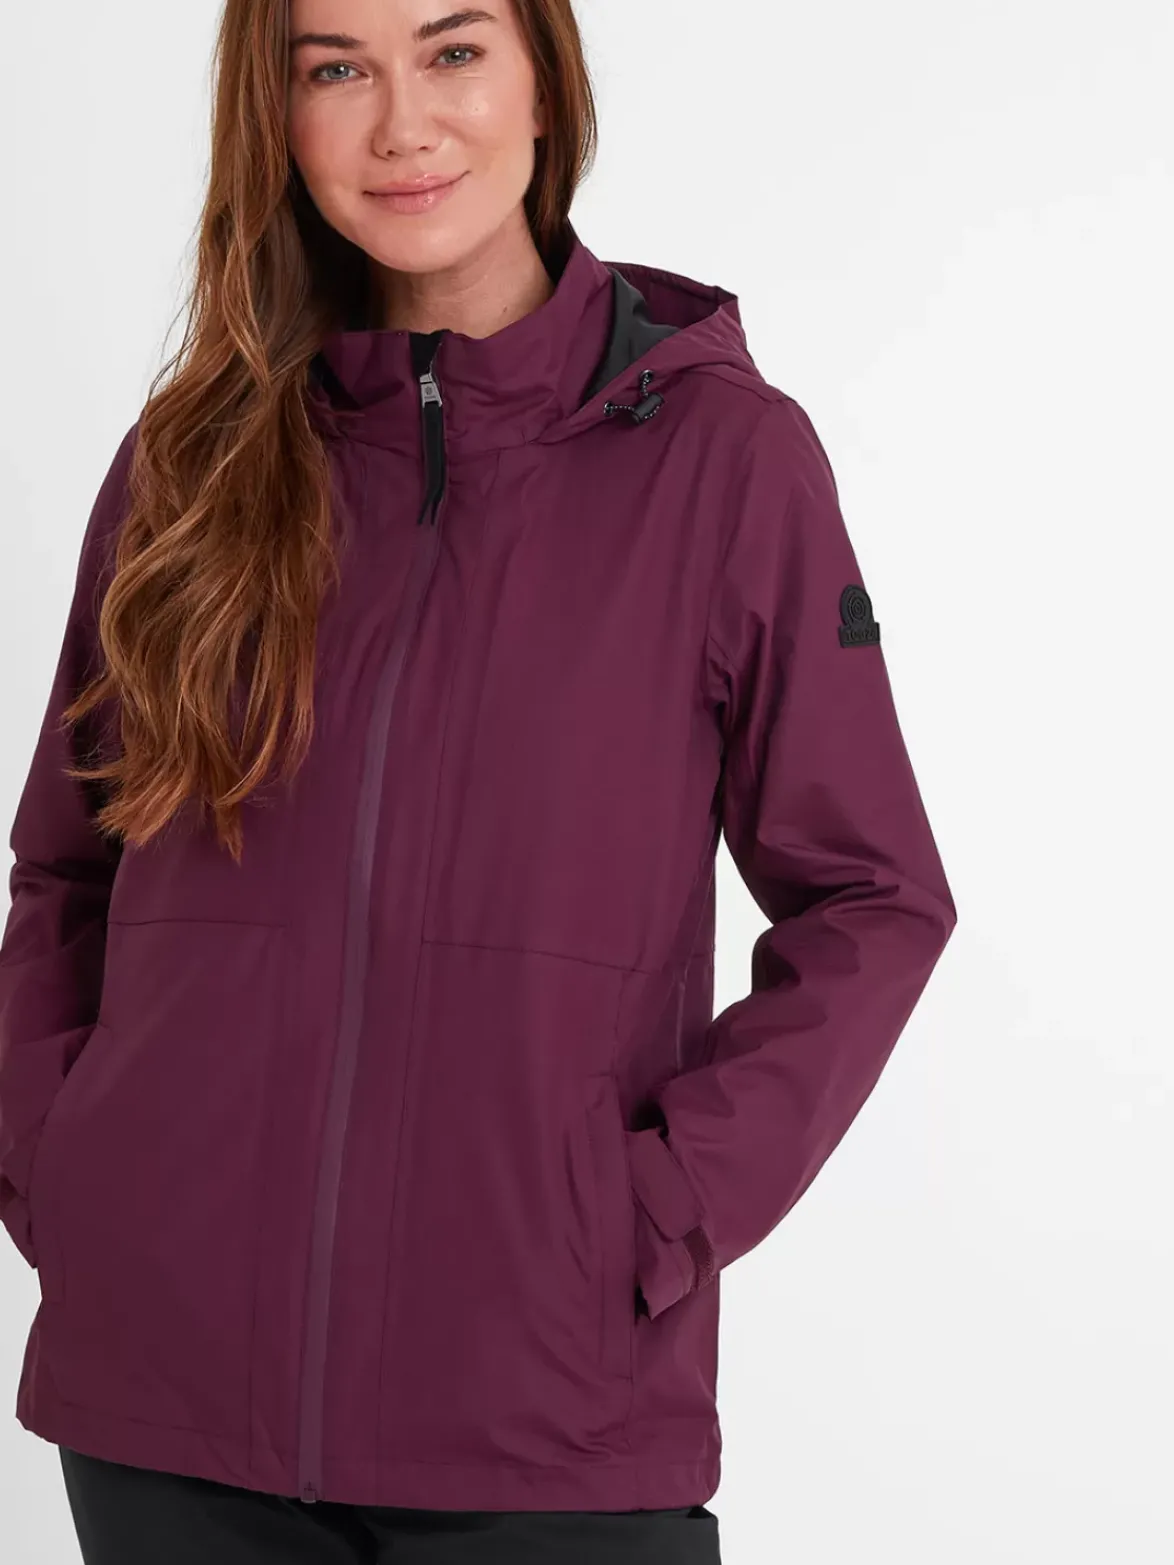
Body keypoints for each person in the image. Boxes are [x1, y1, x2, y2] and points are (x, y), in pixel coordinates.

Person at [0, 1, 957, 1560]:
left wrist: (654, 1213)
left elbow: (872, 899)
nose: (400, 125)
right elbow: (67, 868)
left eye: (452, 52)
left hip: (545, 1418)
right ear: (275, 117)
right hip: (164, 1410)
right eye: (335, 69)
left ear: (542, 85)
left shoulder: (724, 461)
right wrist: (64, 1169)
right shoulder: (189, 465)